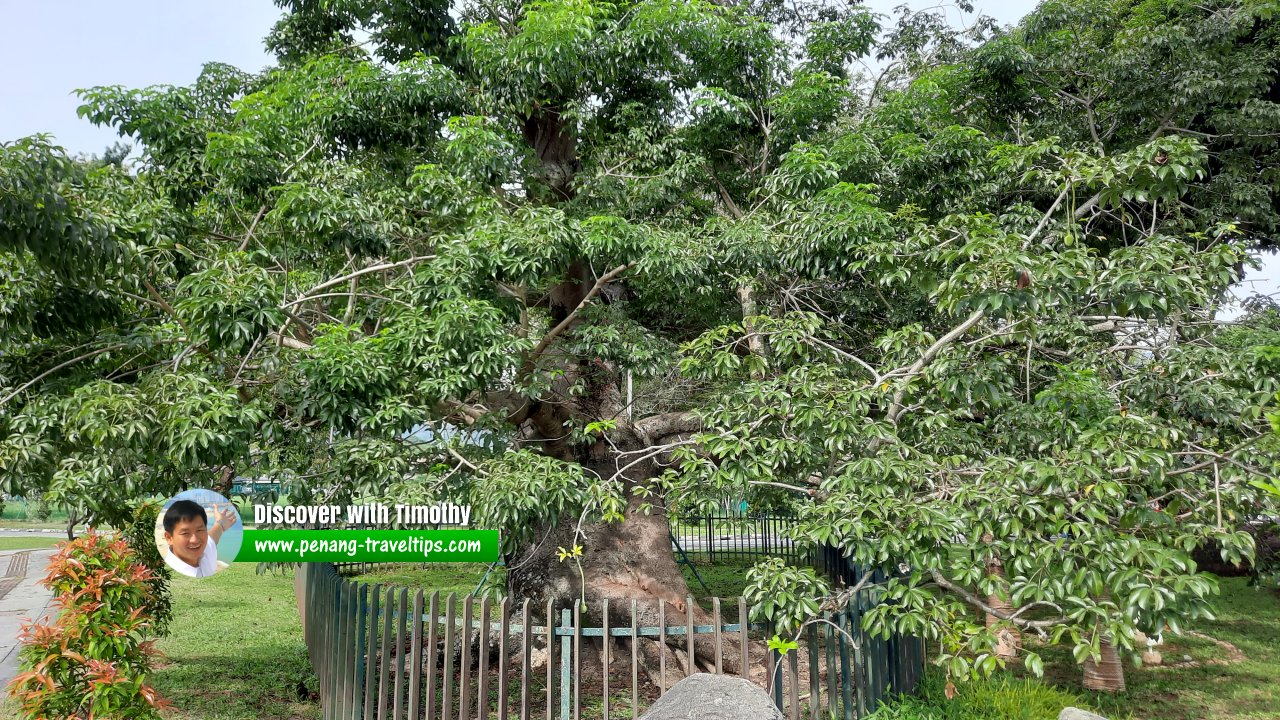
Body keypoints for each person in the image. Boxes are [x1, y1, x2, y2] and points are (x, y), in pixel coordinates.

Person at [162, 499, 236, 578]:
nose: (195, 540)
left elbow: (212, 538)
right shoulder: (170, 574)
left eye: (199, 530)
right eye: (185, 533)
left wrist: (221, 523)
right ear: (169, 538)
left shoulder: (205, 552)